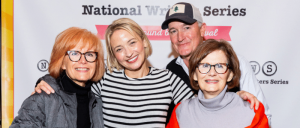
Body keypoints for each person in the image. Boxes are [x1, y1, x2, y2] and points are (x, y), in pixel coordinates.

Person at [34, 18, 194, 127]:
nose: (129, 53)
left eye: (132, 43)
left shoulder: (167, 79)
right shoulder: (105, 79)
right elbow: (72, 85)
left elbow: (201, 109)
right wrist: (48, 80)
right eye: (119, 49)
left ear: (144, 41)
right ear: (114, 55)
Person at [161, 2, 271, 123]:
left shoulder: (237, 63)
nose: (180, 37)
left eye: (186, 28)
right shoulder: (170, 71)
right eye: (173, 31)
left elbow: (263, 117)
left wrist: (237, 100)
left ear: (202, 29)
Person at [10, 27, 105, 128]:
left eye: (89, 54)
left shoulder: (98, 100)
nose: (83, 60)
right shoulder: (43, 98)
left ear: (96, 62)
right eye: (74, 53)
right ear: (62, 63)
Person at [167, 39, 269, 128]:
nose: (212, 73)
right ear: (194, 74)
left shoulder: (252, 111)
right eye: (205, 65)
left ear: (230, 75)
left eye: (220, 66)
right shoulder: (181, 112)